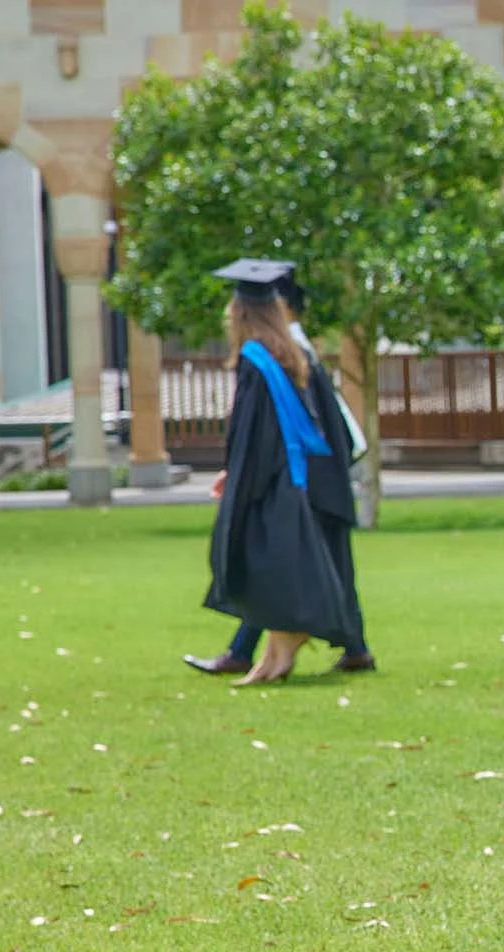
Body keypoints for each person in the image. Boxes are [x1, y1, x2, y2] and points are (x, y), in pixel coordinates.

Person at [185, 259, 375, 677]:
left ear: (242, 314)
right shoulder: (294, 356)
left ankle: (261, 653)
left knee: (271, 562)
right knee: (314, 564)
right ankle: (343, 649)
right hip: (316, 476)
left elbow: (255, 432)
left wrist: (240, 477)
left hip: (289, 481)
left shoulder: (261, 361)